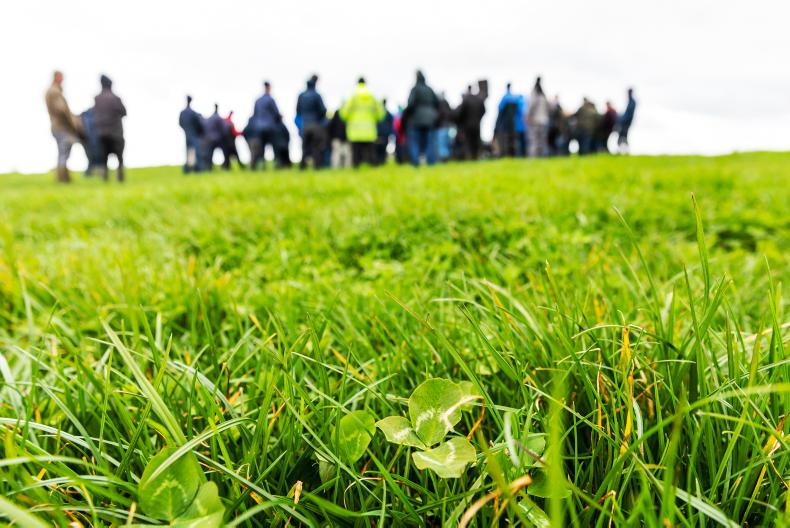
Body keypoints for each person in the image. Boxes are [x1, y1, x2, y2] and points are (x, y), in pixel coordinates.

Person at [340, 77, 385, 168]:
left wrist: (349, 118)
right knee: (371, 153)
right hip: (369, 129)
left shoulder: (353, 96)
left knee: (356, 154)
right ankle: (373, 171)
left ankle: (356, 170)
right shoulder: (372, 96)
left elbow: (344, 113)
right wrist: (374, 119)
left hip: (355, 130)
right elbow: (381, 113)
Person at [45, 71, 80, 183]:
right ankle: (63, 179)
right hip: (61, 127)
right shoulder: (54, 91)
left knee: (63, 152)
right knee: (64, 152)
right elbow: (61, 109)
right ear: (56, 77)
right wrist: (73, 122)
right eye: (61, 77)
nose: (63, 80)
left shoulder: (53, 91)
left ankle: (64, 178)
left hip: (58, 126)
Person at [93, 75, 127, 182]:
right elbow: (124, 112)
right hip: (115, 132)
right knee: (119, 157)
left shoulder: (97, 99)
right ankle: (120, 177)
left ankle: (105, 179)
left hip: (101, 133)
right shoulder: (115, 98)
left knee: (104, 158)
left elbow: (94, 114)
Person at [404, 70, 440, 166]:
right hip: (430, 119)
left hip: (416, 119)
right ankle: (431, 162)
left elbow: (410, 104)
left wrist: (406, 115)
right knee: (430, 142)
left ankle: (416, 163)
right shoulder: (429, 89)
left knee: (415, 142)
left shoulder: (415, 89)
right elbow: (437, 103)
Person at [295, 74, 328, 170]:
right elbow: (323, 110)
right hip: (316, 124)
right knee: (316, 147)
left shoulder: (301, 96)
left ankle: (302, 168)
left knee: (305, 148)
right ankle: (317, 167)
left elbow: (298, 110)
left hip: (305, 125)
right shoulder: (317, 95)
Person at [250, 81, 282, 170]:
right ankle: (277, 165)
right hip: (270, 127)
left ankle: (262, 166)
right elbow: (276, 113)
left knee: (261, 148)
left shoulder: (258, 100)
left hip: (259, 127)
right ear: (269, 88)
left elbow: (255, 114)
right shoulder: (271, 100)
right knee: (275, 146)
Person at [455, 85, 486, 160]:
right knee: (476, 141)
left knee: (468, 141)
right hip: (477, 124)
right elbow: (484, 110)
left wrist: (461, 121)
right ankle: (476, 157)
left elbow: (461, 112)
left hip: (467, 124)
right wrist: (479, 118)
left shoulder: (466, 100)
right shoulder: (479, 99)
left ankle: (470, 157)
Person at [496, 83, 525, 157]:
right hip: (517, 125)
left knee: (508, 142)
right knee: (517, 142)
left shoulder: (505, 98)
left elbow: (500, 110)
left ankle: (508, 155)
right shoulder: (518, 99)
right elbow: (522, 111)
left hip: (507, 125)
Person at [179, 95, 204, 173]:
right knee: (197, 152)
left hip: (187, 135)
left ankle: (187, 170)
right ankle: (198, 169)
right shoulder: (193, 113)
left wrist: (186, 130)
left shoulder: (182, 113)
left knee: (188, 152)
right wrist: (198, 132)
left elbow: (180, 123)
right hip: (194, 135)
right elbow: (199, 125)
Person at [526, 77, 550, 157]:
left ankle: (534, 157)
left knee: (534, 141)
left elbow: (530, 107)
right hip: (544, 121)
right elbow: (548, 108)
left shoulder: (534, 95)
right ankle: (543, 157)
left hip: (535, 121)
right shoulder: (544, 96)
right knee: (542, 141)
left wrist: (528, 117)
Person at [202, 104, 227, 170]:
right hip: (218, 139)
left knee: (209, 155)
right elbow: (224, 129)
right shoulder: (219, 118)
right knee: (225, 152)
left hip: (209, 139)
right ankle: (225, 167)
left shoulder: (209, 118)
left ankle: (208, 168)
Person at [617, 88, 637, 154]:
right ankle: (623, 151)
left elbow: (628, 114)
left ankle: (623, 151)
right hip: (626, 122)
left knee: (622, 136)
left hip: (626, 122)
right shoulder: (631, 101)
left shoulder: (632, 102)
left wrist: (621, 120)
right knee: (623, 136)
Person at [375, 99, 394, 165]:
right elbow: (391, 124)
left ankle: (378, 162)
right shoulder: (388, 113)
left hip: (378, 133)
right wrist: (391, 133)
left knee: (377, 149)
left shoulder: (377, 112)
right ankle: (382, 162)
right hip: (385, 134)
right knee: (383, 149)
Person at [436, 92, 453, 162]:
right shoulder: (446, 104)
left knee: (442, 144)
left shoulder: (438, 105)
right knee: (446, 144)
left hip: (441, 127)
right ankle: (446, 158)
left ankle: (443, 159)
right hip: (447, 126)